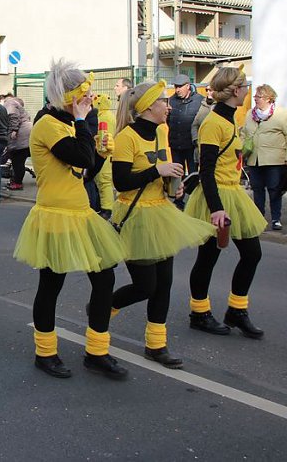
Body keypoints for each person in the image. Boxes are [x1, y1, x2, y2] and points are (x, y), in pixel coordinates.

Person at [14, 59, 127, 379]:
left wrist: (101, 154)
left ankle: (97, 351)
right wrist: (83, 124)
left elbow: (86, 171)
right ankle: (45, 352)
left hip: (81, 211)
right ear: (65, 96)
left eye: (89, 93)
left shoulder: (70, 123)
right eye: (83, 93)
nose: (90, 98)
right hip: (55, 214)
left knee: (104, 278)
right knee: (52, 284)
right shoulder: (48, 124)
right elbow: (80, 156)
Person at [111, 81, 216, 368]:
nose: (168, 107)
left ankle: (156, 345)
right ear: (147, 107)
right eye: (162, 102)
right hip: (136, 216)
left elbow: (165, 173)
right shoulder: (126, 137)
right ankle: (104, 306)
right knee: (145, 286)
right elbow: (121, 182)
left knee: (164, 284)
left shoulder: (161, 132)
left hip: (161, 212)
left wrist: (174, 186)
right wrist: (156, 170)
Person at [185, 67, 268, 339]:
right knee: (208, 257)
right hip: (216, 196)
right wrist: (216, 208)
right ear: (235, 90)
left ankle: (237, 310)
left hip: (233, 192)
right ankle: (199, 313)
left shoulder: (231, 119)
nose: (248, 91)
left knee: (252, 253)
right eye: (245, 86)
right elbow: (206, 170)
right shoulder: (213, 123)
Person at [241, 84, 287, 231]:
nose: (255, 99)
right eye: (255, 96)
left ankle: (276, 218)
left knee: (274, 189)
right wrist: (241, 149)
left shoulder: (282, 114)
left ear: (268, 98)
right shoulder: (250, 114)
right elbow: (244, 133)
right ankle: (259, 217)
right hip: (254, 159)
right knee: (257, 189)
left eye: (258, 97)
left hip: (274, 159)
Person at [167, 74, 202, 208]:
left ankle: (194, 201)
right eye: (176, 87)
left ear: (188, 86)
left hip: (191, 145)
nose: (177, 90)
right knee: (177, 174)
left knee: (193, 174)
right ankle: (179, 200)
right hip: (176, 144)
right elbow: (168, 120)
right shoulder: (171, 101)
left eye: (180, 87)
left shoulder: (199, 101)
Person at [3, 95, 32, 191]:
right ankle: (16, 180)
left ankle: (17, 183)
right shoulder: (19, 107)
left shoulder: (10, 103)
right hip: (27, 135)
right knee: (20, 160)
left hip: (20, 136)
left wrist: (13, 130)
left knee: (17, 160)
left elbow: (13, 116)